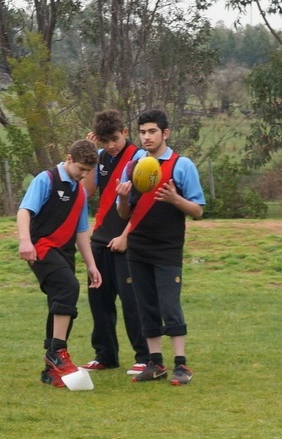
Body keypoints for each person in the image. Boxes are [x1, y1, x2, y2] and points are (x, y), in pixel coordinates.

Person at [116, 109, 205, 385]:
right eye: (142, 132)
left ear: (165, 133)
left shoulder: (182, 165)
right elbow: (124, 215)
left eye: (152, 131)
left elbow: (198, 210)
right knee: (146, 305)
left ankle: (181, 365)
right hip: (138, 247)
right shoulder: (133, 165)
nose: (146, 137)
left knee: (169, 305)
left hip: (168, 248)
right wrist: (122, 199)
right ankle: (155, 364)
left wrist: (175, 199)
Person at [17, 139, 102, 388]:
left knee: (60, 301)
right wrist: (25, 241)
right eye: (80, 169)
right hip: (40, 247)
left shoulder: (80, 192)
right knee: (68, 288)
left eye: (88, 172)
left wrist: (91, 265)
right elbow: (24, 211)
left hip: (64, 253)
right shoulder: (46, 179)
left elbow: (81, 231)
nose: (83, 175)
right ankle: (58, 352)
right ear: (68, 158)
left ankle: (51, 371)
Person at [80, 110, 149, 375]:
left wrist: (126, 237)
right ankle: (105, 355)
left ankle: (144, 356)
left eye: (115, 139)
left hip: (127, 240)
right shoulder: (100, 158)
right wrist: (90, 153)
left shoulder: (139, 159)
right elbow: (86, 191)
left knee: (132, 301)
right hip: (100, 238)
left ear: (125, 133)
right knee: (99, 298)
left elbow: (144, 204)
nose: (111, 145)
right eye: (105, 140)